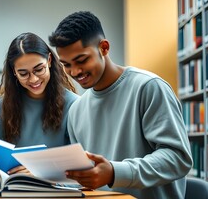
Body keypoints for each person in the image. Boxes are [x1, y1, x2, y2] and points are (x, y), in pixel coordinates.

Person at [48, 11, 193, 198]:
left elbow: (178, 158)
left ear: (104, 48)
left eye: (82, 60)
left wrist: (115, 173)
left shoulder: (148, 88)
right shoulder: (76, 110)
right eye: (66, 65)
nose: (75, 71)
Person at [0, 32, 78, 156]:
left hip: (56, 176)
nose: (33, 79)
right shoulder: (3, 106)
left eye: (39, 69)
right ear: (14, 72)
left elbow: (78, 160)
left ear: (49, 60)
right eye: (23, 73)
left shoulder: (73, 105)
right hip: (15, 176)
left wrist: (37, 169)